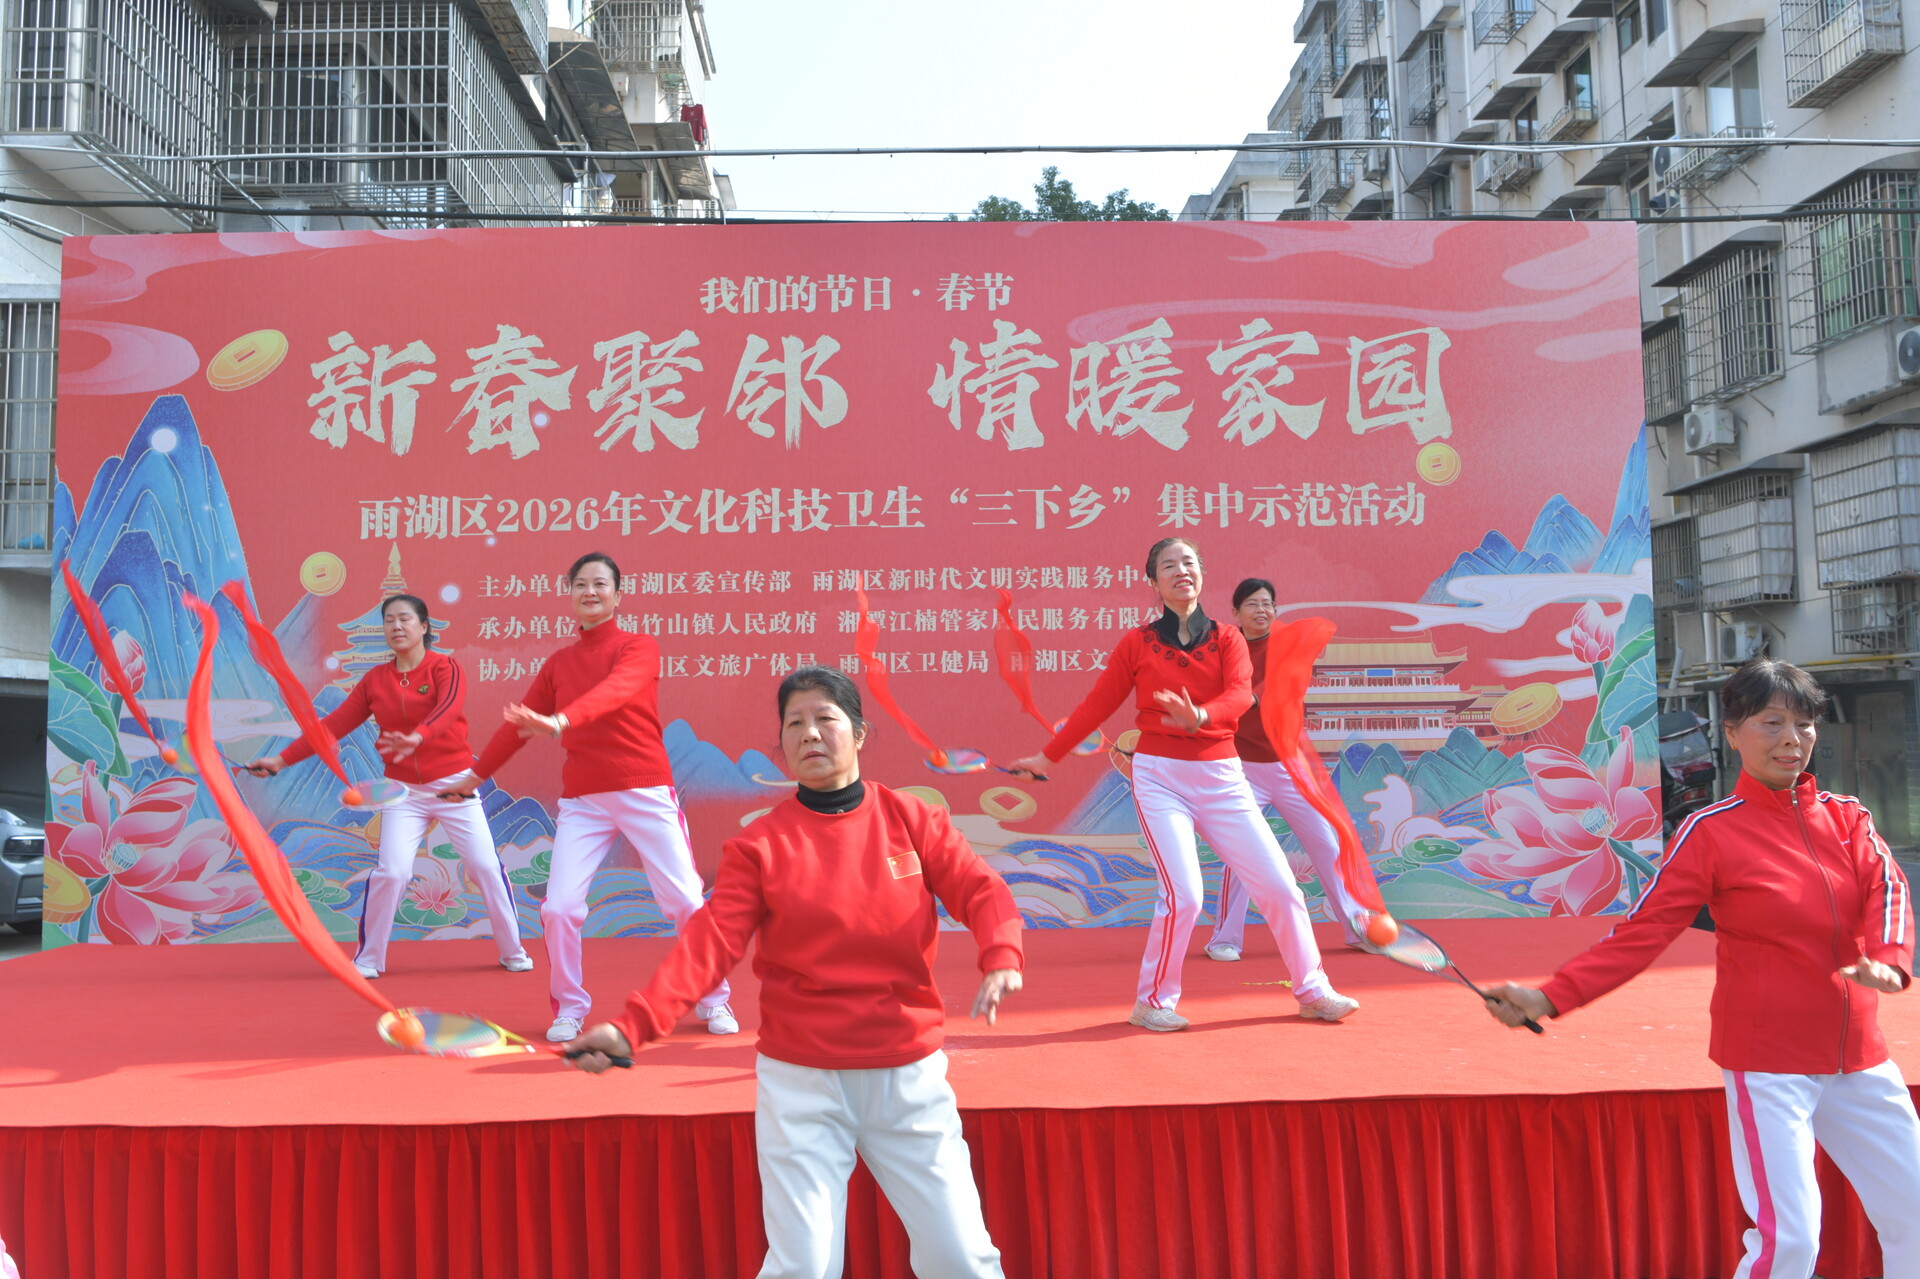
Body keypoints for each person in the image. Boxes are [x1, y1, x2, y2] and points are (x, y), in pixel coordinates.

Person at [563, 667, 1024, 1279]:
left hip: (906, 1074)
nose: (810, 734)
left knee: (962, 1259)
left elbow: (982, 891)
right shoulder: (760, 846)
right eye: (795, 724)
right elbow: (711, 943)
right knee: (802, 1267)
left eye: (826, 719)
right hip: (802, 1083)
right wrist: (633, 1027)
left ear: (859, 733)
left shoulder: (913, 820)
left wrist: (1001, 955)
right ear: (781, 746)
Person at [1484, 659, 1917, 1279]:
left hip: (1862, 1060)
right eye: (1771, 723)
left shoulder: (1849, 818)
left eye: (1804, 724)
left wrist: (1890, 960)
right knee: (1790, 1244)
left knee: (1916, 1216)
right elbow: (1644, 930)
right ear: (1733, 730)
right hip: (1770, 1066)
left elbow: (1889, 888)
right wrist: (1551, 996)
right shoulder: (1709, 832)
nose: (1791, 740)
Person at [1007, 537, 1358, 1030]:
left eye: (1188, 562)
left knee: (1280, 886)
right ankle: (1153, 1001)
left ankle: (1312, 990)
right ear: (1153, 582)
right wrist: (1047, 756)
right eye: (1168, 566)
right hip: (1162, 777)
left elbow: (1240, 696)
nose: (1180, 571)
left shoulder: (1227, 639)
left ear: (1202, 575)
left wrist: (1201, 715)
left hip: (1223, 776)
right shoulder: (1136, 643)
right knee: (1185, 895)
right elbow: (1096, 706)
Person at [436, 552, 732, 1043]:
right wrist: (474, 777)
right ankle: (569, 1007)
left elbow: (617, 690)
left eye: (600, 584)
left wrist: (562, 721)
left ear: (618, 594)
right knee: (559, 909)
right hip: (585, 802)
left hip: (643, 790)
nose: (590, 592)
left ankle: (712, 996)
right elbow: (519, 727)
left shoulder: (638, 647)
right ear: (569, 594)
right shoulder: (559, 663)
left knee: (683, 899)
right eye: (580, 585)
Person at [246, 593, 531, 979]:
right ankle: (369, 958)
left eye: (405, 619)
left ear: (424, 627)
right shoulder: (376, 681)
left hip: (454, 786)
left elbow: (448, 709)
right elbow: (331, 727)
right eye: (389, 621)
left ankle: (513, 950)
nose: (396, 627)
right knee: (392, 872)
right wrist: (281, 759)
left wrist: (420, 736)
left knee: (483, 865)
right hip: (403, 793)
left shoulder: (445, 668)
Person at [1205, 577, 1373, 961]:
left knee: (1327, 845)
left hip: (1288, 766)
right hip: (1242, 765)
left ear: (1276, 610)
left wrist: (1247, 697)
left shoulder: (1288, 644)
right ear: (1235, 613)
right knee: (1242, 853)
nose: (1261, 610)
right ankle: (1225, 938)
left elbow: (1278, 688)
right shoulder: (1224, 648)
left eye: (1267, 603)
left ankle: (1355, 928)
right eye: (1251, 604)